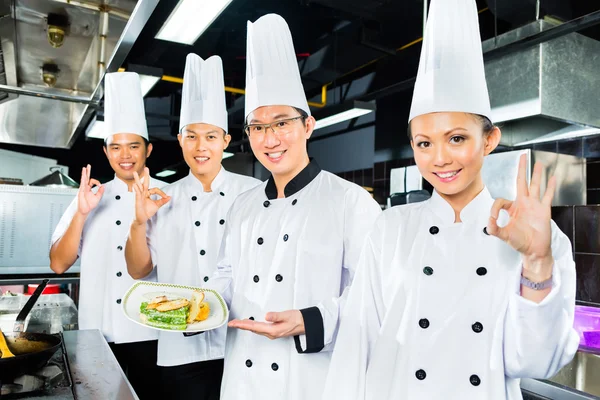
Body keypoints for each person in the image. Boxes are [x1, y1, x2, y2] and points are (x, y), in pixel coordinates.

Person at [322, 1, 579, 399]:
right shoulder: (391, 227)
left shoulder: (538, 239)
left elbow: (533, 363)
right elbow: (358, 345)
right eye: (424, 143)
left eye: (456, 138)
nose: (439, 158)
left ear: (489, 140)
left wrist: (538, 262)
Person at [203, 14, 382, 400]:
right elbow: (226, 272)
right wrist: (199, 306)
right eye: (258, 127)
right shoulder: (243, 206)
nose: (270, 139)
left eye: (282, 122)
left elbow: (375, 295)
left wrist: (310, 321)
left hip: (311, 379)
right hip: (241, 379)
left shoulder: (350, 202)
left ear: (308, 126)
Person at [124, 54, 260, 400]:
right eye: (193, 136)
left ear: (226, 141)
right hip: (178, 351)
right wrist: (139, 221)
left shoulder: (253, 193)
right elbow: (139, 271)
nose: (202, 147)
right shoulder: (160, 197)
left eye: (211, 136)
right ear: (180, 139)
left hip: (241, 342)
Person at [50, 72, 163, 399]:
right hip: (96, 334)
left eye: (133, 146)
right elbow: (58, 264)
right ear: (106, 151)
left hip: (150, 334)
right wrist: (82, 213)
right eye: (116, 146)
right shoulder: (89, 196)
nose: (125, 155)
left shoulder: (167, 198)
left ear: (148, 149)